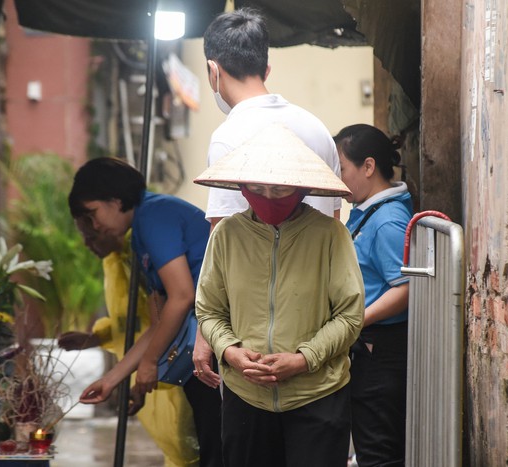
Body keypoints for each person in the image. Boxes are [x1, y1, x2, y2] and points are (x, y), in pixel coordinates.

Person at [194, 123, 365, 467]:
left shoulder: (329, 234)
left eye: (280, 189)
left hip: (318, 396)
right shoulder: (227, 235)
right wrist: (230, 351)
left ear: (300, 189)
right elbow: (209, 310)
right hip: (246, 398)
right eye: (257, 188)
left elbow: (349, 315)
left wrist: (303, 359)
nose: (268, 197)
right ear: (242, 188)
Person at [194, 7, 343, 387]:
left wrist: (206, 337)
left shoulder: (229, 136)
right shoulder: (317, 129)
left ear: (214, 70)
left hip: (253, 341)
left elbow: (221, 236)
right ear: (267, 67)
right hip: (318, 333)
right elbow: (334, 225)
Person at [69, 157, 223, 467]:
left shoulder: (154, 215)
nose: (94, 227)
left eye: (93, 215)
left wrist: (150, 363)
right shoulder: (141, 232)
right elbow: (159, 323)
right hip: (207, 344)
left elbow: (181, 297)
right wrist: (113, 379)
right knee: (214, 447)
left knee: (218, 449)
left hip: (218, 343)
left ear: (115, 200)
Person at [58, 219, 200, 466]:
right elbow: (131, 322)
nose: (86, 244)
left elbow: (163, 318)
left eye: (91, 236)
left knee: (189, 446)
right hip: (147, 363)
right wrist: (96, 338)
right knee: (179, 453)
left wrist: (149, 363)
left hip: (170, 361)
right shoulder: (115, 262)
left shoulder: (143, 256)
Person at [334, 124, 414, 467]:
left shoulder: (387, 221)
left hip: (382, 351)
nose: (338, 180)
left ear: (368, 166)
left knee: (380, 453)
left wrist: (354, 321)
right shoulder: (368, 212)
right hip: (369, 347)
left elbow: (407, 287)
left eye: (342, 169)